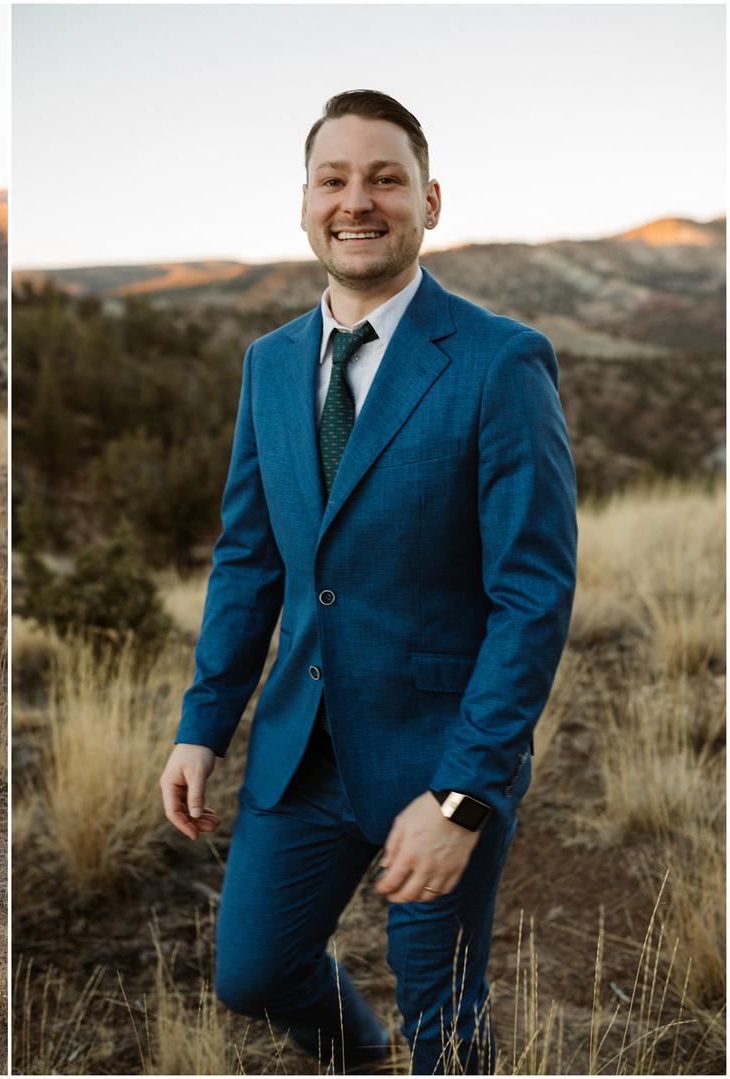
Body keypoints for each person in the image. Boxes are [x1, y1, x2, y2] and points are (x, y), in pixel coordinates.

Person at [158, 90, 576, 1074]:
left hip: (438, 759)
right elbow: (249, 558)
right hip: (298, 753)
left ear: (430, 200)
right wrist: (202, 722)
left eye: (385, 178)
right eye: (335, 179)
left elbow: (534, 595)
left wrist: (466, 793)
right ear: (304, 203)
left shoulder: (500, 361)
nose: (360, 200)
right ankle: (362, 1056)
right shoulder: (270, 364)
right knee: (252, 975)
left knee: (447, 1026)